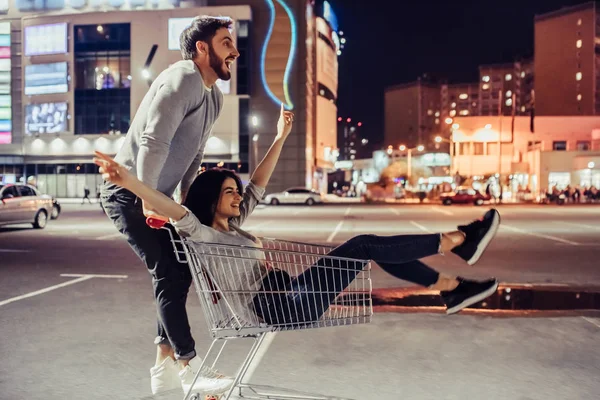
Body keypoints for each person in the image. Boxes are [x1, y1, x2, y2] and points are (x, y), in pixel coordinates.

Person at [95, 106, 501, 386]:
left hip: (289, 292)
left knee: (366, 250)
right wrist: (129, 181)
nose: (238, 197)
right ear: (210, 199)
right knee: (362, 247)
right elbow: (167, 206)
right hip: (277, 306)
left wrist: (281, 136)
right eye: (229, 192)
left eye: (236, 192)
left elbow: (259, 181)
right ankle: (458, 243)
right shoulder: (200, 232)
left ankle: (451, 283)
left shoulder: (234, 225)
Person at [99, 15, 240, 396]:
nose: (235, 51)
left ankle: (164, 367)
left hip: (154, 197)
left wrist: (187, 205)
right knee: (168, 271)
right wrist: (148, 199)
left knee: (182, 269)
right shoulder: (183, 79)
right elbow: (153, 142)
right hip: (126, 193)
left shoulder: (214, 96)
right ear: (202, 48)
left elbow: (194, 155)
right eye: (226, 43)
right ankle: (188, 365)